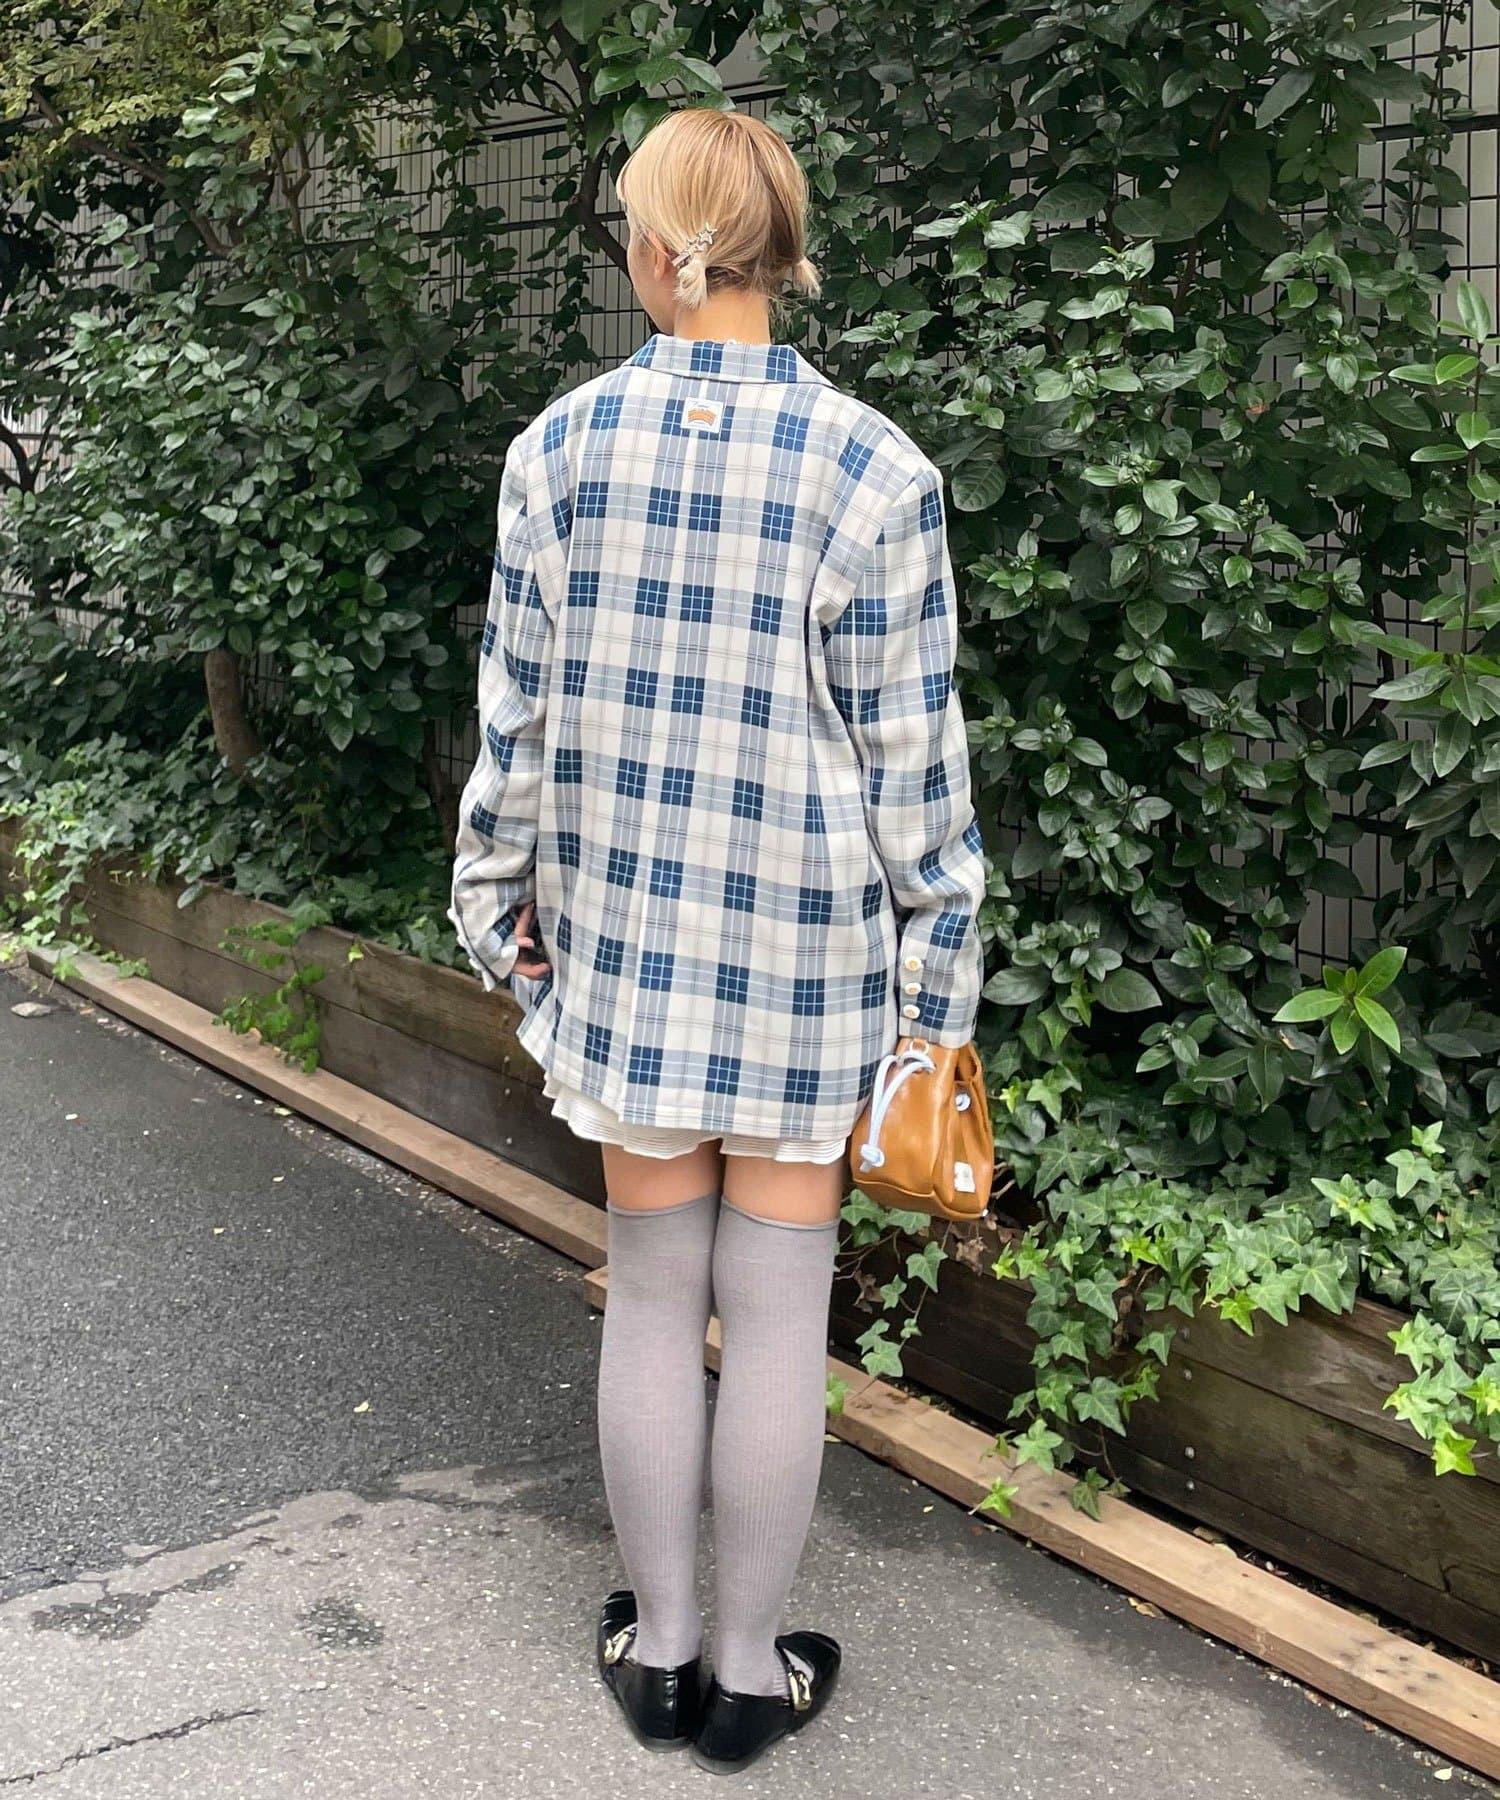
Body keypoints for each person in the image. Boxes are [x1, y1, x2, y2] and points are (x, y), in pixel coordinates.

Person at [448, 105, 986, 1774]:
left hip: (623, 961)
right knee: (775, 1317)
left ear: (653, 248)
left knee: (648, 1298)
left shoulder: (559, 453)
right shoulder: (876, 472)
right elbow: (919, 779)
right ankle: (751, 1679)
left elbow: (515, 735)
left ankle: (660, 1652)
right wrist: (937, 1002)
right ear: (778, 247)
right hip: (809, 979)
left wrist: (499, 925)